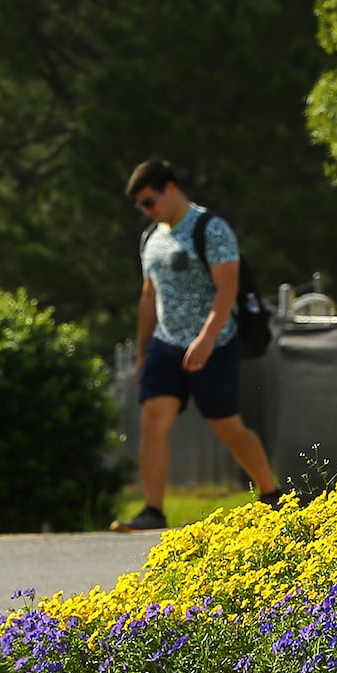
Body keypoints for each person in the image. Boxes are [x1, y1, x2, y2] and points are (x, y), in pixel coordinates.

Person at [111, 160, 282, 532]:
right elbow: (147, 298)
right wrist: (142, 353)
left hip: (215, 342)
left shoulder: (211, 228)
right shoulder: (150, 238)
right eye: (140, 206)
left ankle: (271, 495)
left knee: (227, 426)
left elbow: (227, 288)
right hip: (166, 344)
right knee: (153, 417)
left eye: (149, 201)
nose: (146, 211)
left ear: (170, 188)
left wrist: (206, 340)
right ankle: (153, 510)